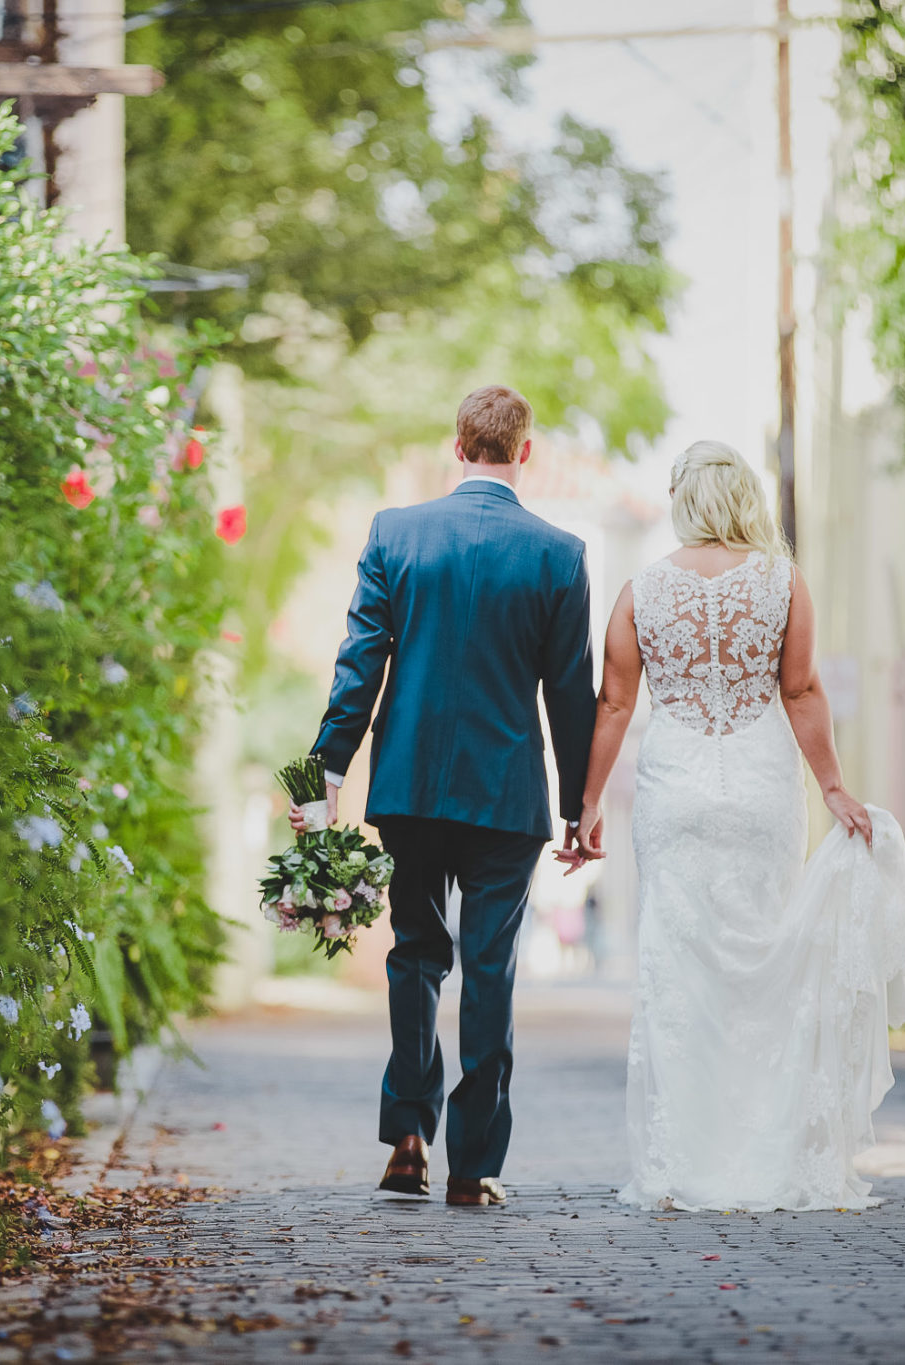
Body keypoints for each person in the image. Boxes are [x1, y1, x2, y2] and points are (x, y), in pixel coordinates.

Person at [562, 440, 905, 1212]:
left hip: (675, 794)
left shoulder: (642, 591)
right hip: (759, 790)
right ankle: (764, 1149)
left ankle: (681, 1161)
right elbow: (800, 690)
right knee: (766, 965)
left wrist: (585, 805)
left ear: (684, 501)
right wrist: (833, 786)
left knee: (677, 976)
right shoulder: (783, 582)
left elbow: (616, 706)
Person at [293, 385, 596, 1207]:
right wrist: (580, 806)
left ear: (455, 446)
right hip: (506, 797)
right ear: (525, 453)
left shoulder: (397, 534)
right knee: (490, 968)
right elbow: (573, 692)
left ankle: (407, 1136)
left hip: (413, 790)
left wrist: (317, 784)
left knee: (416, 956)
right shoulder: (559, 554)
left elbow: (357, 667)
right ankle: (475, 1165)